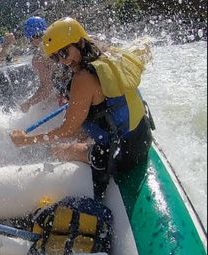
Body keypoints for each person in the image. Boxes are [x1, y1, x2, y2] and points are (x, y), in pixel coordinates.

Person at [10, 17, 153, 199]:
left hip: (121, 155)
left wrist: (26, 140)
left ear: (78, 42)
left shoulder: (82, 78)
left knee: (59, 149)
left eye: (63, 53)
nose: (62, 61)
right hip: (142, 135)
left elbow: (68, 129)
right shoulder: (108, 54)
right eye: (55, 57)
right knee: (81, 131)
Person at [19, 16, 71, 113]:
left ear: (30, 39)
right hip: (83, 81)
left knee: (48, 104)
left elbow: (47, 88)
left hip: (69, 92)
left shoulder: (38, 59)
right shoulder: (64, 40)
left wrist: (28, 103)